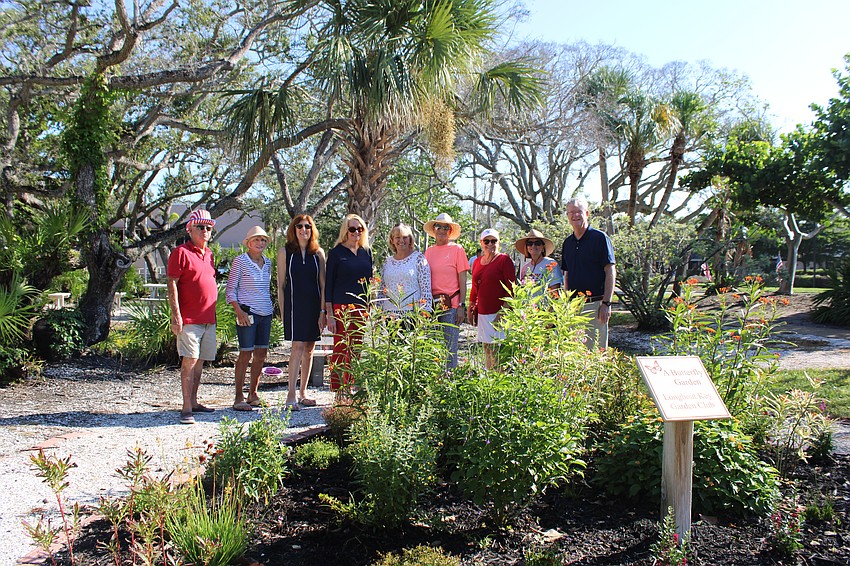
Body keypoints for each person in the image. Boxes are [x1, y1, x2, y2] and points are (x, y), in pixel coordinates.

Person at [167, 209, 218, 425]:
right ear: (190, 229)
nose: (205, 231)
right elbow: (172, 283)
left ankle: (195, 402)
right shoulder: (180, 252)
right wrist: (176, 315)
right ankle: (186, 407)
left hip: (208, 319)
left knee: (200, 362)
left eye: (208, 227)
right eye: (201, 227)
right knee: (189, 361)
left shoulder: (209, 255)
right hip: (189, 319)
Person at [278, 214, 326, 410]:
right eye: (300, 226)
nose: (303, 229)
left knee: (309, 349)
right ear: (294, 229)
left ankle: (303, 392)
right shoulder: (285, 252)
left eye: (307, 226)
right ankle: (291, 395)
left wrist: (323, 311)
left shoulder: (319, 253)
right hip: (294, 306)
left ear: (312, 229)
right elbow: (281, 284)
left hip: (314, 306)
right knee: (297, 347)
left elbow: (323, 285)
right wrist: (283, 312)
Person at [226, 226, 273, 412]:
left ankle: (253, 394)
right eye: (256, 240)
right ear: (248, 243)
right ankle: (238, 396)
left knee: (261, 354)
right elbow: (231, 289)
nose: (260, 243)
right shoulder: (240, 261)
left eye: (262, 240)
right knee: (245, 353)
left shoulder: (267, 262)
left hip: (266, 312)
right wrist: (239, 312)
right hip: (247, 313)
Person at [560, 197, 616, 350]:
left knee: (597, 351)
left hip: (596, 304)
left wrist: (606, 303)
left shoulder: (600, 238)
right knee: (575, 351)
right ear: (567, 216)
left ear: (587, 213)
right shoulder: (567, 243)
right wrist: (566, 304)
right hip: (574, 306)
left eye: (578, 211)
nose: (575, 215)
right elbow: (567, 274)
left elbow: (610, 271)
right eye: (571, 212)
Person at [325, 214, 373, 391]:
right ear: (346, 231)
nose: (356, 232)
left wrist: (369, 305)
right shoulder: (336, 253)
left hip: (360, 307)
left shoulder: (366, 252)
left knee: (355, 349)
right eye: (352, 229)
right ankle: (338, 389)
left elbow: (369, 282)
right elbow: (329, 284)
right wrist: (329, 314)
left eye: (360, 229)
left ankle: (350, 386)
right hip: (340, 307)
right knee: (340, 348)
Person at [424, 213, 468, 370]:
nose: (441, 230)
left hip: (451, 304)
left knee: (450, 347)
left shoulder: (457, 249)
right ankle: (434, 382)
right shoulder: (429, 251)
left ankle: (450, 381)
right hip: (432, 305)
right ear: (434, 230)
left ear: (450, 231)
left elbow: (462, 279)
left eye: (445, 227)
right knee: (432, 346)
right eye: (438, 227)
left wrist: (462, 305)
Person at [468, 228, 515, 370]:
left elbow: (512, 289)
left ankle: (499, 383)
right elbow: (475, 288)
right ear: (481, 243)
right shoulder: (476, 262)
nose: (490, 244)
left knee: (498, 353)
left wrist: (503, 313)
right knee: (487, 350)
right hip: (483, 313)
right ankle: (490, 382)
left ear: (498, 242)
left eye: (493, 241)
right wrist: (471, 308)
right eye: (486, 241)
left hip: (498, 312)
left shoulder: (504, 260)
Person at [377, 223, 432, 316]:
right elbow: (382, 289)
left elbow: (426, 290)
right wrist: (377, 312)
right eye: (397, 237)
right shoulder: (387, 262)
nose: (401, 240)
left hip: (412, 315)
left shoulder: (419, 259)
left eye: (405, 237)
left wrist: (425, 314)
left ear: (410, 240)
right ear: (392, 240)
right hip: (389, 315)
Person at [515, 228, 563, 297]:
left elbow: (555, 291)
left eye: (537, 243)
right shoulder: (525, 268)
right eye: (530, 243)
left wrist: (548, 307)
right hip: (529, 306)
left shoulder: (551, 264)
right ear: (527, 247)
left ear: (543, 246)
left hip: (544, 306)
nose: (533, 246)